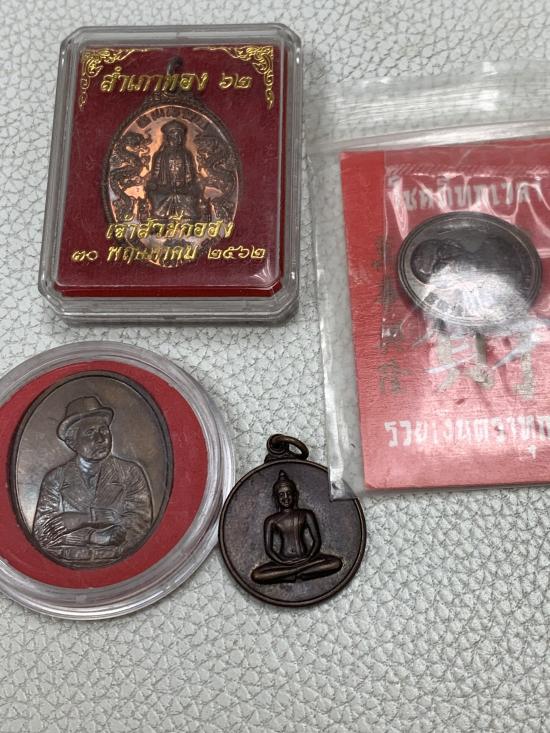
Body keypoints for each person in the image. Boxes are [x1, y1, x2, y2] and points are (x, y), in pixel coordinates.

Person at [33, 396, 153, 567]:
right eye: (90, 432)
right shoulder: (56, 478)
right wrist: (92, 535)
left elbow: (140, 523)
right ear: (72, 442)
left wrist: (82, 519)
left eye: (104, 430)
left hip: (123, 567)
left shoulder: (130, 473)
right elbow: (43, 534)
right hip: (66, 568)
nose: (101, 439)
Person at [251, 471, 342, 584]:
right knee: (257, 575)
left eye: (288, 493)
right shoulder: (271, 520)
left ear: (295, 495)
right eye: (281, 495)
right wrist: (282, 561)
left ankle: (290, 574)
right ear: (276, 498)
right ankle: (299, 572)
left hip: (306, 558)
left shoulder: (306, 514)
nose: (286, 498)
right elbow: (269, 550)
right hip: (283, 563)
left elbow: (317, 541)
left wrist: (309, 557)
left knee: (336, 563)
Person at [145, 119, 206, 220]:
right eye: (175, 136)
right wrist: (153, 183)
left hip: (183, 188)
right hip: (164, 189)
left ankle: (187, 219)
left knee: (187, 197)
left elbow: (190, 175)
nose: (178, 139)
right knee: (159, 197)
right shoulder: (160, 155)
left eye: (180, 136)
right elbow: (155, 175)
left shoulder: (186, 154)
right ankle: (160, 218)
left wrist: (190, 185)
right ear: (168, 137)